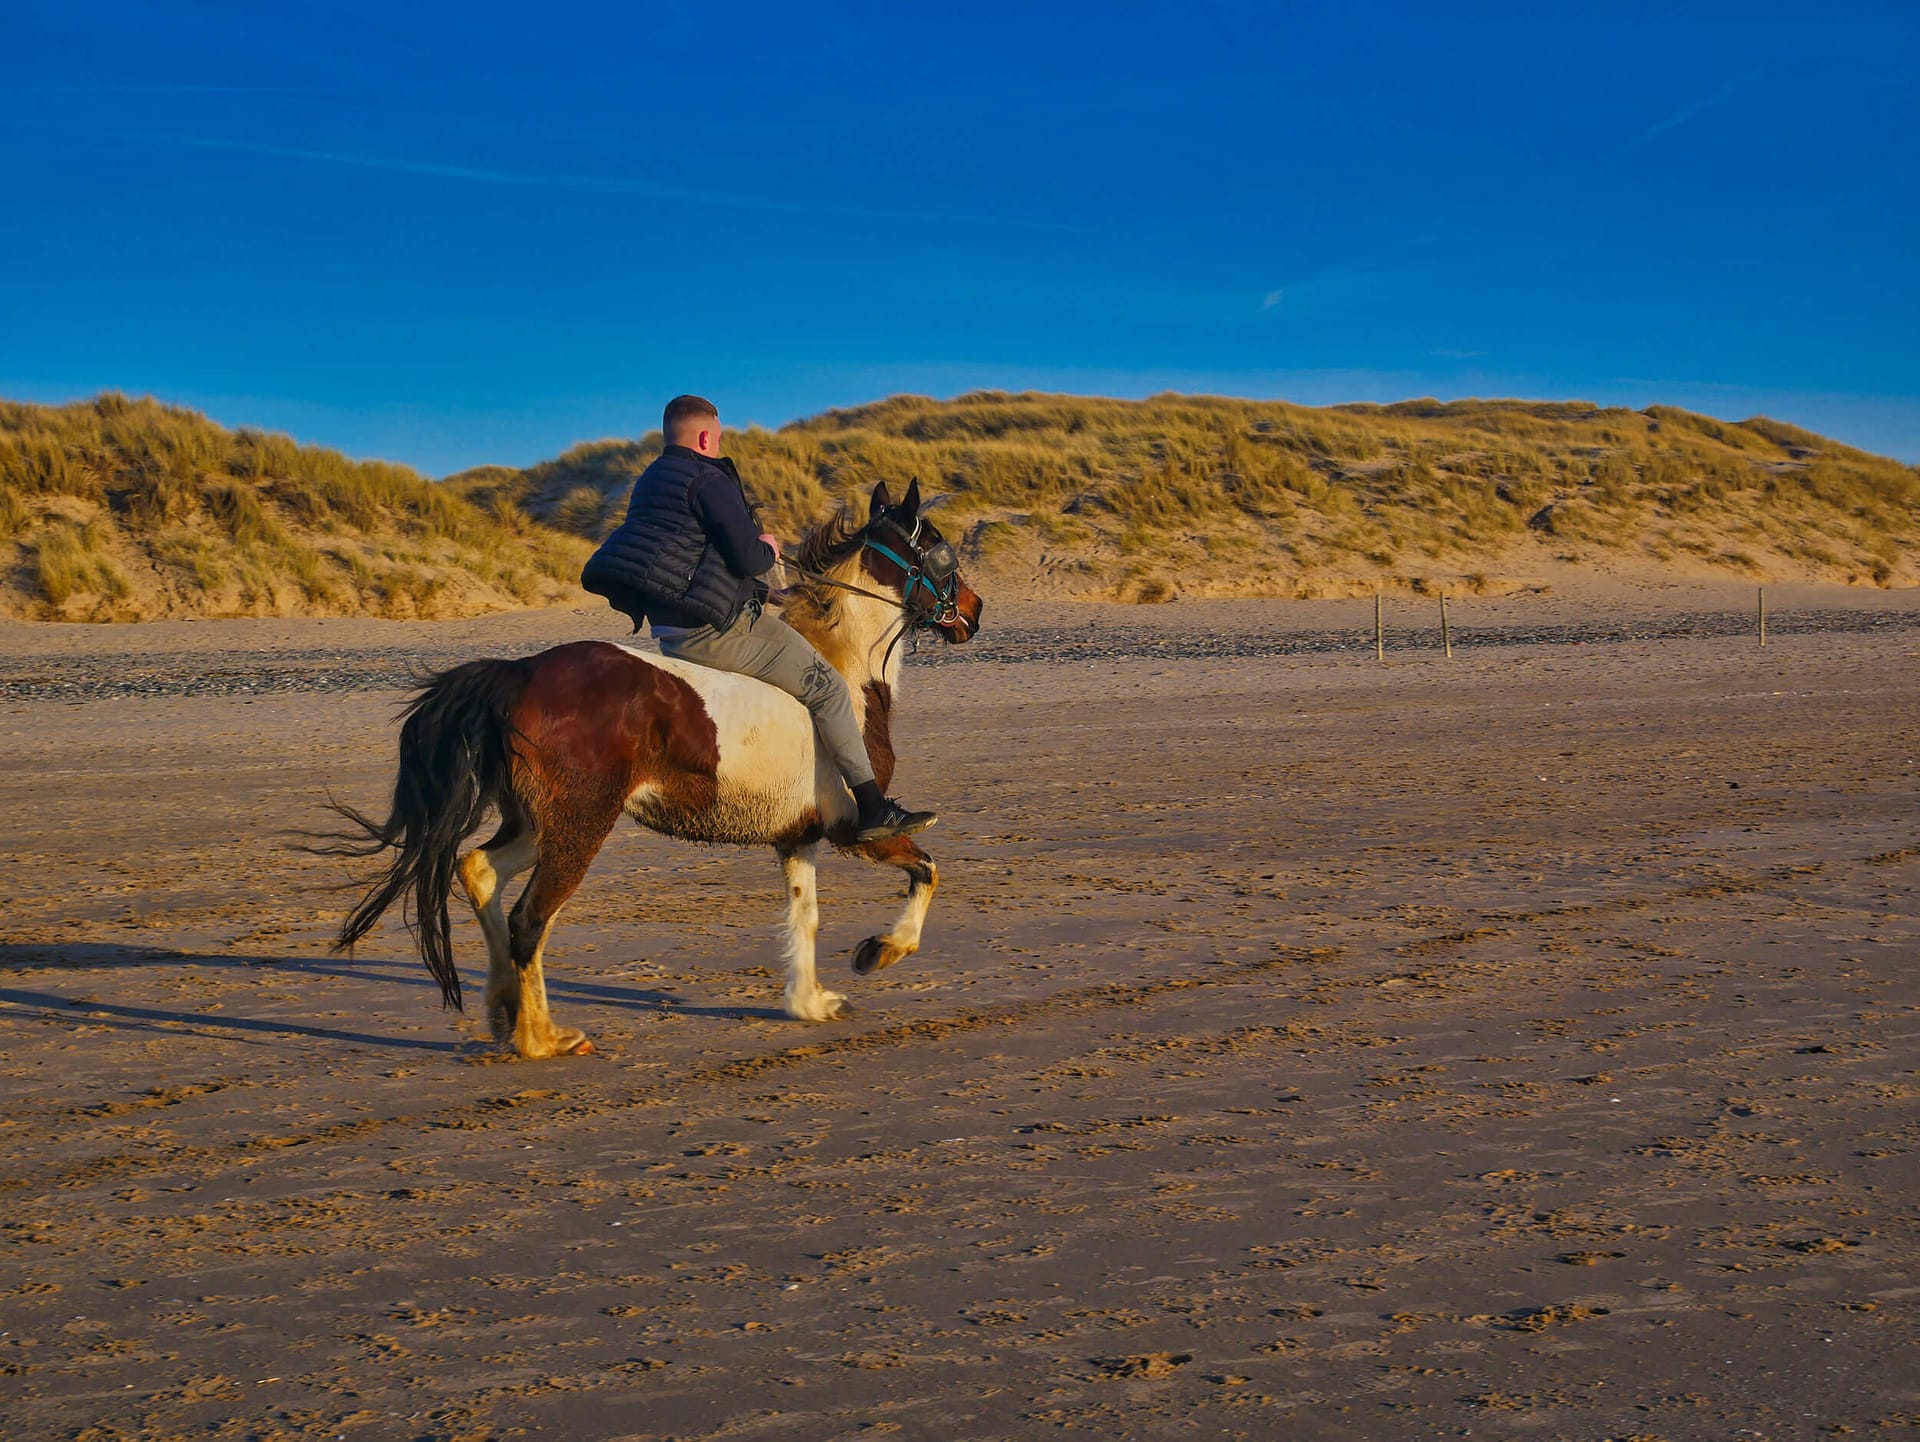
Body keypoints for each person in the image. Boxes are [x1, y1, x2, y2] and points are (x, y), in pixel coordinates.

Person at [581, 394, 935, 842]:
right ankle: (871, 808)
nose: (718, 445)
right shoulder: (708, 479)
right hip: (718, 632)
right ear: (705, 438)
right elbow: (747, 558)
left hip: (672, 631)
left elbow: (689, 562)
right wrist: (766, 548)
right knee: (828, 686)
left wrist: (768, 594)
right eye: (718, 437)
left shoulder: (651, 481)